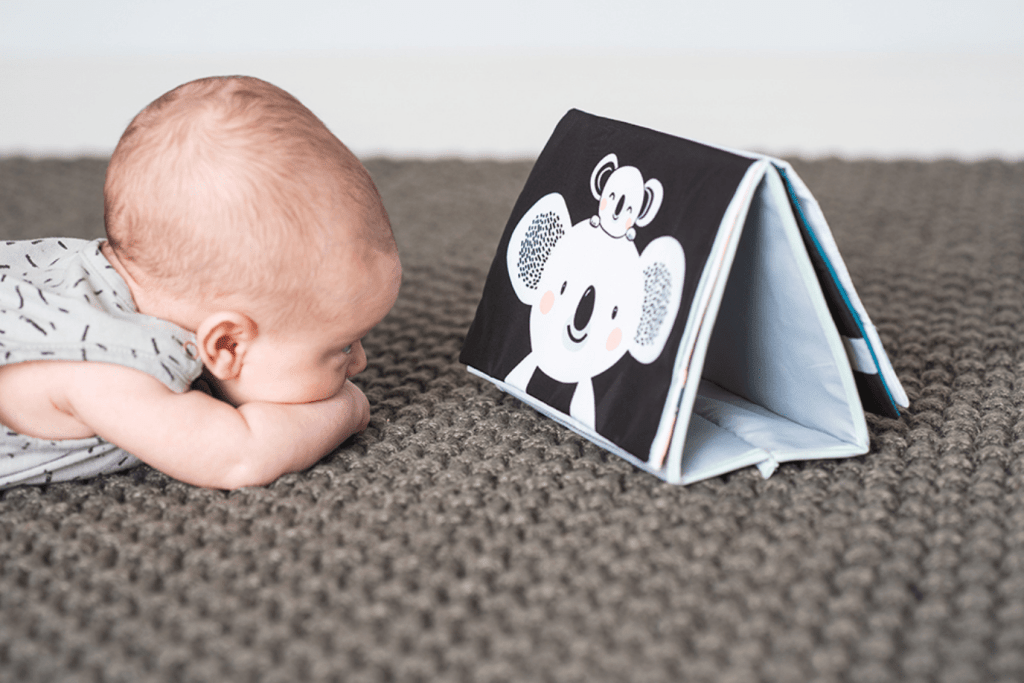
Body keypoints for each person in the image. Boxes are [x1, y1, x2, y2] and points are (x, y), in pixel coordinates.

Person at [0, 75, 401, 490]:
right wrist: (351, 408)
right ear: (227, 344)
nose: (360, 364)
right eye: (343, 347)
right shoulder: (110, 367)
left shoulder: (125, 278)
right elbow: (241, 456)